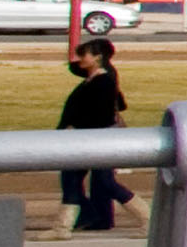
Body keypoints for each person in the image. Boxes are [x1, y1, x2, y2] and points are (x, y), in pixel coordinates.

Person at [55, 42, 135, 235]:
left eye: (84, 55)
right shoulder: (96, 78)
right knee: (90, 180)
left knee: (99, 181)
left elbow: (103, 114)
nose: (79, 59)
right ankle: (94, 218)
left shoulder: (104, 80)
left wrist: (74, 126)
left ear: (98, 57)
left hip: (95, 139)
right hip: (91, 138)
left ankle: (146, 218)